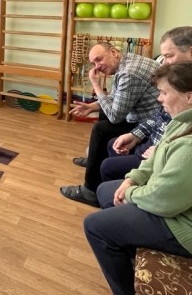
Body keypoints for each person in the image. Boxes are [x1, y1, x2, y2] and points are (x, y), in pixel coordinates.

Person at [84, 62, 192, 295]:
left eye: (164, 93)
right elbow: (157, 158)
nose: (159, 98)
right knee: (106, 191)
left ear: (189, 96)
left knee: (95, 226)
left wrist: (131, 193)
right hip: (184, 205)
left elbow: (163, 200)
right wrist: (133, 178)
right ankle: (131, 251)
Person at [100, 26, 192, 184]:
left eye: (169, 56)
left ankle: (122, 192)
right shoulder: (191, 75)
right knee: (114, 145)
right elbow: (162, 115)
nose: (164, 63)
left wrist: (163, 151)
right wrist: (136, 135)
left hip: (172, 154)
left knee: (109, 167)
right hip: (160, 141)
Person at [60, 42, 160, 206]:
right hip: (143, 116)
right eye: (93, 63)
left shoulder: (129, 73)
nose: (97, 67)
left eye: (99, 60)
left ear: (113, 52)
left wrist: (96, 85)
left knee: (101, 128)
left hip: (149, 124)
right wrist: (91, 107)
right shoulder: (127, 62)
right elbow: (116, 98)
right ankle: (95, 159)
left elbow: (114, 116)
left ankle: (90, 190)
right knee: (102, 112)